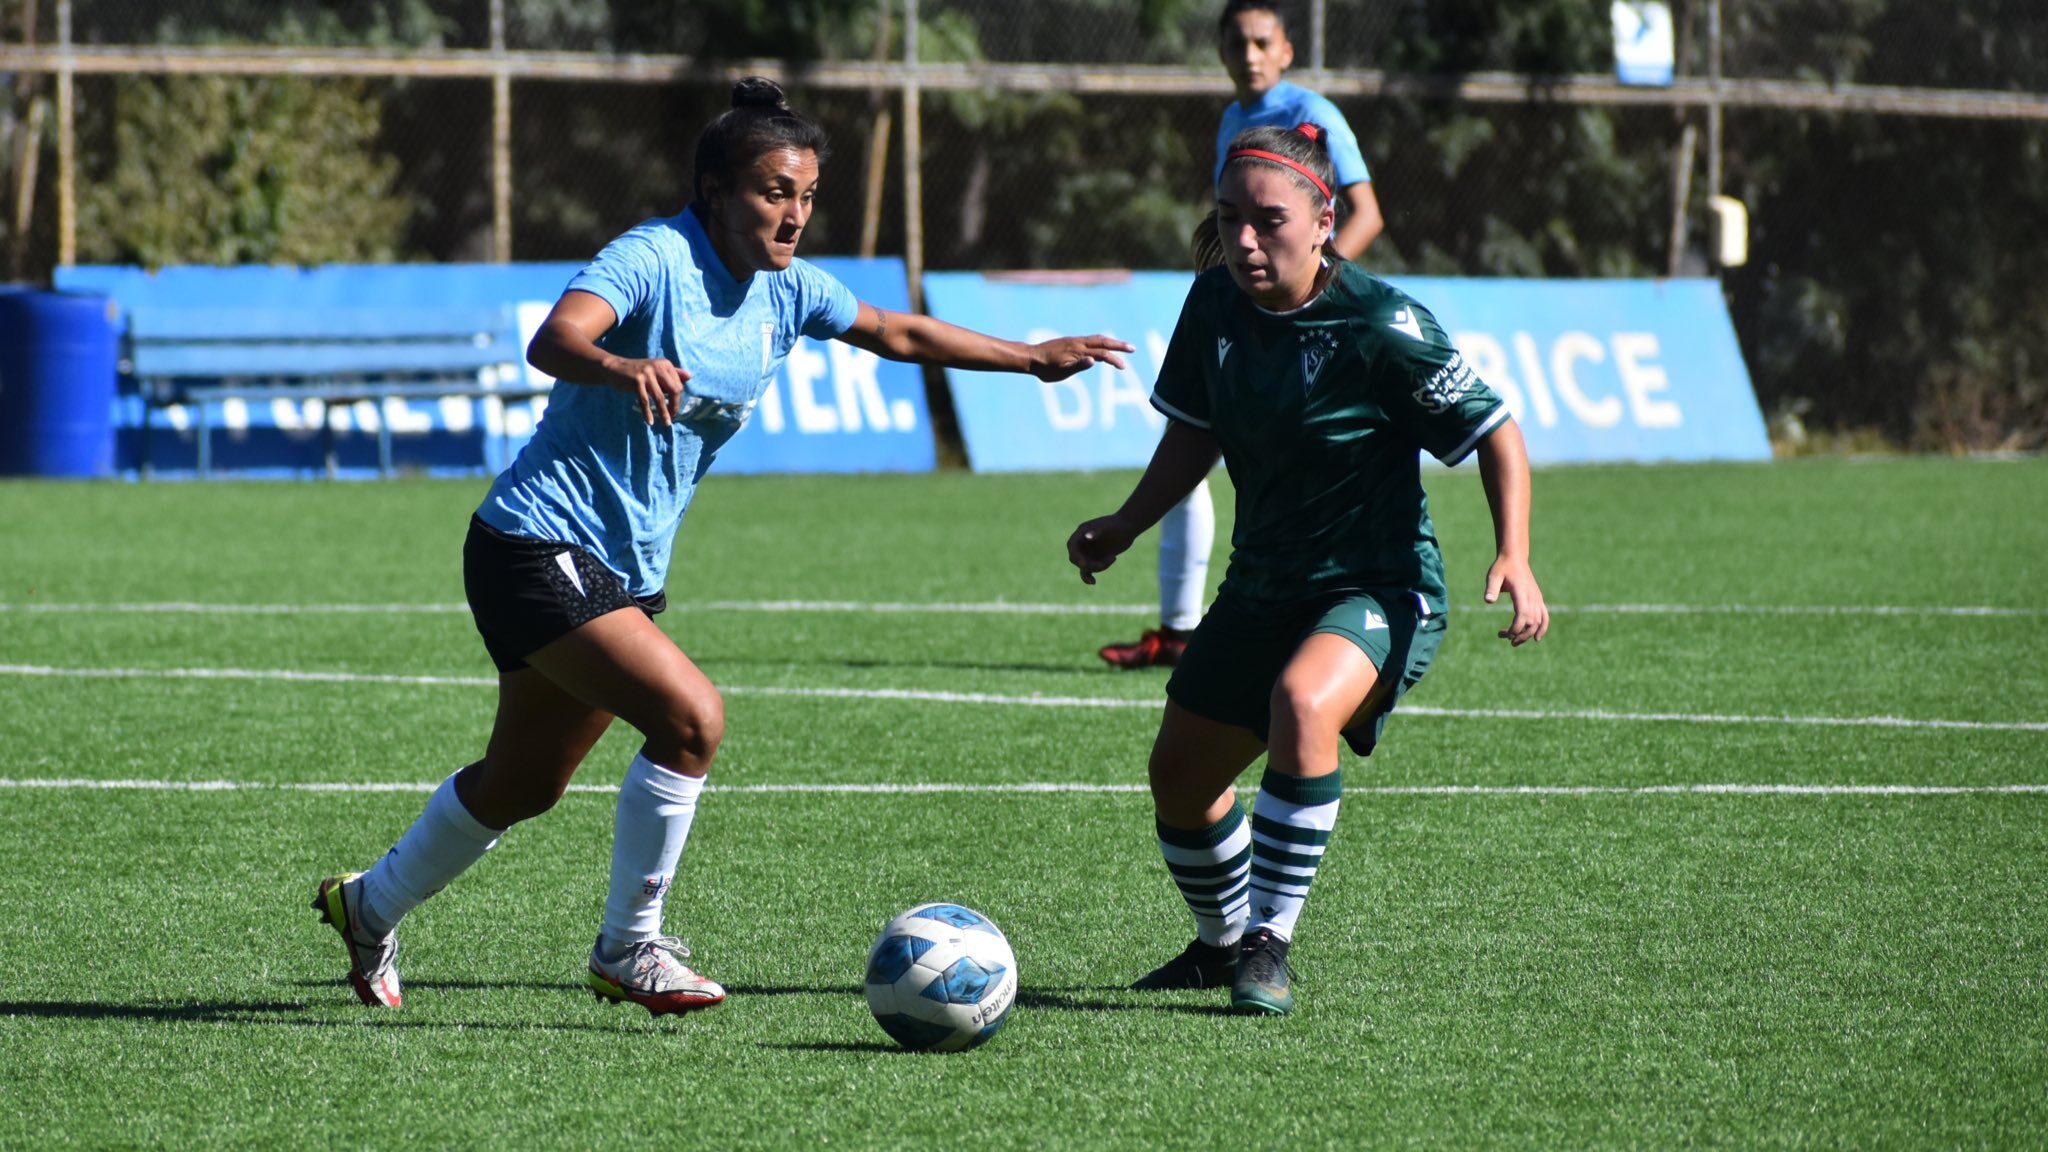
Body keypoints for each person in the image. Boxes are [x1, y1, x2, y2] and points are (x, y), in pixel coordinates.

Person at [312, 77, 1133, 1016]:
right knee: (692, 718)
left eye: (807, 196)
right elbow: (555, 338)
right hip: (533, 542)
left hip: (618, 571)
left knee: (524, 784)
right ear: (715, 191)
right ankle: (630, 950)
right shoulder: (654, 257)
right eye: (773, 193)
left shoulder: (787, 290)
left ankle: (367, 906)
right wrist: (620, 364)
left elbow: (894, 328)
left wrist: (1032, 358)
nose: (793, 216)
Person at [1066, 123, 1547, 1015]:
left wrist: (1513, 553)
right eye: (1230, 218)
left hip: (1378, 587)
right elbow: (1196, 430)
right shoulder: (1213, 304)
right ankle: (1219, 948)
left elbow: (1497, 433)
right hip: (1262, 588)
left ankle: (1268, 941)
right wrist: (1128, 523)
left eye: (1270, 220)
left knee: (1301, 702)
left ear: (1325, 220)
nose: (1247, 239)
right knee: (1179, 777)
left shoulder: (1381, 324)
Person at [1099, 0, 1385, 670]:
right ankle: (1179, 629)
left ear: (1286, 50)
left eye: (1263, 42)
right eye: (1237, 43)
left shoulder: (1309, 116)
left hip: (1303, 321)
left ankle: (1333, 623)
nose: (1250, 55)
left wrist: (1314, 291)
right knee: (1192, 447)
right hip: (1249, 315)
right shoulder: (1234, 120)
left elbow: (1364, 211)